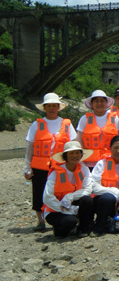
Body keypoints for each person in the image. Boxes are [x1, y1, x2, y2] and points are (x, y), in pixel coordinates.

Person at [23, 93, 77, 232]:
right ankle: (40, 220)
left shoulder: (67, 124)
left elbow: (73, 145)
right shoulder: (36, 124)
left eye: (54, 105)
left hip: (60, 165)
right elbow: (30, 147)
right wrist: (27, 167)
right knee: (38, 191)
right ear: (44, 108)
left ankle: (61, 214)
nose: (51, 108)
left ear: (58, 107)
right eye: (49, 106)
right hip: (40, 166)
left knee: (62, 190)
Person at [42, 141, 94, 238]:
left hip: (73, 204)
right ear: (65, 156)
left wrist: (70, 196)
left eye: (77, 152)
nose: (75, 156)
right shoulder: (56, 173)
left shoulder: (84, 169)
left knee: (88, 200)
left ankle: (83, 229)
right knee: (69, 223)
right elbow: (47, 197)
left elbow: (88, 189)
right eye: (71, 153)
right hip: (55, 208)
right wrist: (66, 209)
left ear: (81, 155)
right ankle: (59, 229)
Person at [76, 90, 119, 168]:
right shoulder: (84, 119)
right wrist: (82, 160)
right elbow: (79, 140)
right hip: (89, 163)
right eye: (96, 101)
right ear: (92, 104)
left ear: (106, 103)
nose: (99, 104)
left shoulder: (114, 119)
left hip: (109, 161)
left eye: (102, 101)